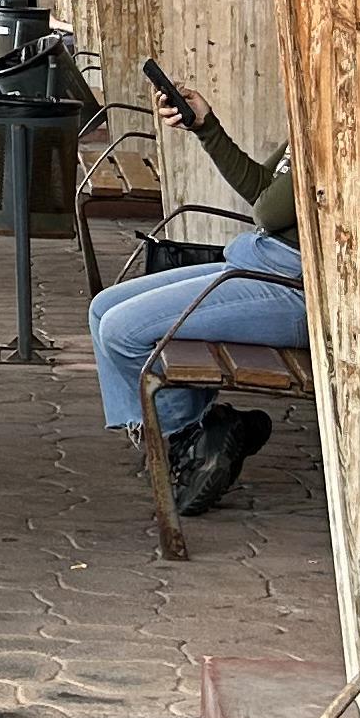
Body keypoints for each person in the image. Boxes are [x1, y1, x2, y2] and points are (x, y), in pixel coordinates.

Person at [88, 77, 304, 515]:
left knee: (122, 331)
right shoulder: (311, 119)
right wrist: (206, 127)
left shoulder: (337, 125)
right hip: (263, 262)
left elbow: (268, 210)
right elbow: (262, 189)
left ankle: (192, 437)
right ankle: (197, 436)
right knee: (102, 308)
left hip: (295, 287)